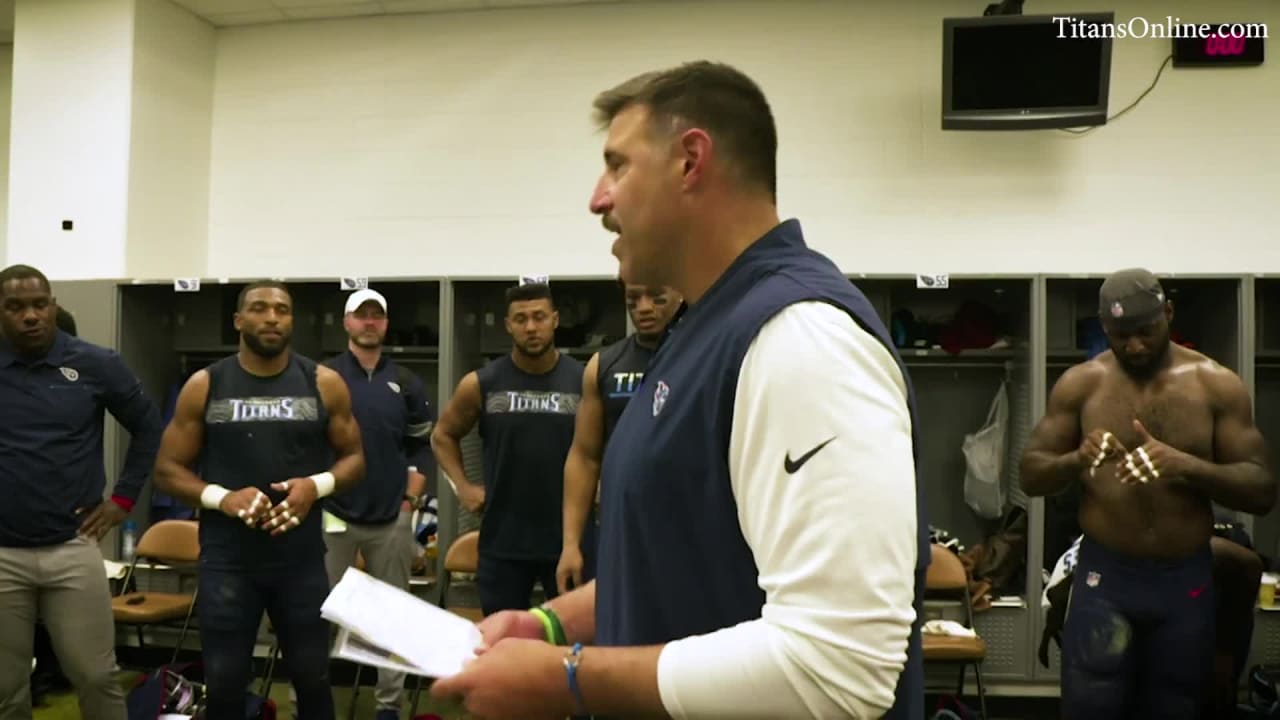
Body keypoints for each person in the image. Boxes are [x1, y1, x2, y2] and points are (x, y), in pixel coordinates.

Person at [431, 61, 927, 720]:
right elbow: (671, 557)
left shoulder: (801, 339)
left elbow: (840, 668)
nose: (597, 199)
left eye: (618, 166)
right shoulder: (700, 334)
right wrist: (548, 627)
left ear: (691, 161)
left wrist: (567, 679)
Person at [1019, 267, 1275, 720]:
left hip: (1184, 585)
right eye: (1121, 336)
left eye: (1146, 331)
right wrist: (1076, 459)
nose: (1135, 346)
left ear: (1169, 313)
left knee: (1176, 706)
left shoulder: (1216, 385)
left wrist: (1187, 465)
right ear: (1104, 328)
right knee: (1090, 706)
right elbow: (1031, 475)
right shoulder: (1082, 385)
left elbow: (1261, 489)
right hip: (1106, 580)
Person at [152, 280, 365, 720]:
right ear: (238, 320)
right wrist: (221, 497)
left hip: (300, 561)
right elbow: (167, 470)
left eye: (282, 309)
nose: (272, 317)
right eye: (260, 308)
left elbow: (355, 460)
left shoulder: (323, 383)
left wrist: (315, 487)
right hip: (228, 563)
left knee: (313, 680)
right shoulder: (206, 384)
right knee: (226, 684)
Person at [0, 264, 164, 720]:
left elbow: (149, 426)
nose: (30, 316)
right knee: (6, 688)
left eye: (39, 305)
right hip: (1, 554)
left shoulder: (95, 363)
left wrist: (123, 500)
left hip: (71, 547)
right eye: (15, 307)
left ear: (53, 307)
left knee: (96, 675)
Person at [431, 281, 584, 617]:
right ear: (508, 325)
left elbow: (602, 446)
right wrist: (464, 488)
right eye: (521, 319)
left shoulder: (583, 380)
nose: (531, 327)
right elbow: (442, 435)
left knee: (570, 643)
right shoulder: (482, 383)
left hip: (568, 540)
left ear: (555, 320)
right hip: (503, 541)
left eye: (539, 317)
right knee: (501, 644)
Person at [320, 288, 435, 720]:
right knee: (321, 615)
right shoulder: (324, 375)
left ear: (385, 325)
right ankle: (313, 704)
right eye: (361, 316)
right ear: (347, 323)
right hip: (334, 516)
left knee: (393, 617)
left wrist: (409, 501)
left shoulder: (406, 381)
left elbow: (422, 447)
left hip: (392, 517)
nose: (369, 323)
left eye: (377, 317)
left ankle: (390, 707)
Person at [555, 282, 681, 594]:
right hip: (620, 528)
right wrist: (570, 544)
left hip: (685, 526)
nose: (644, 307)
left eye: (656, 297)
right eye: (633, 299)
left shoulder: (706, 355)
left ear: (680, 294)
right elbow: (584, 456)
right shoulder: (604, 365)